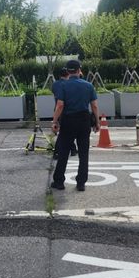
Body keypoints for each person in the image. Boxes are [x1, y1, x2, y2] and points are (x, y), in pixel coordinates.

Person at [51, 60, 99, 191]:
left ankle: (59, 181)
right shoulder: (88, 85)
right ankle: (81, 183)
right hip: (84, 120)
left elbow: (60, 105)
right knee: (84, 153)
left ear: (67, 71)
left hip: (68, 120)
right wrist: (97, 122)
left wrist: (54, 121)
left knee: (63, 152)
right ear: (79, 70)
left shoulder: (63, 86)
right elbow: (94, 105)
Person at [52, 67, 77, 160]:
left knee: (67, 131)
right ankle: (57, 152)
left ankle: (73, 149)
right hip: (67, 111)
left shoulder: (55, 84)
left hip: (57, 111)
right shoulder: (67, 84)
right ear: (68, 74)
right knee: (64, 133)